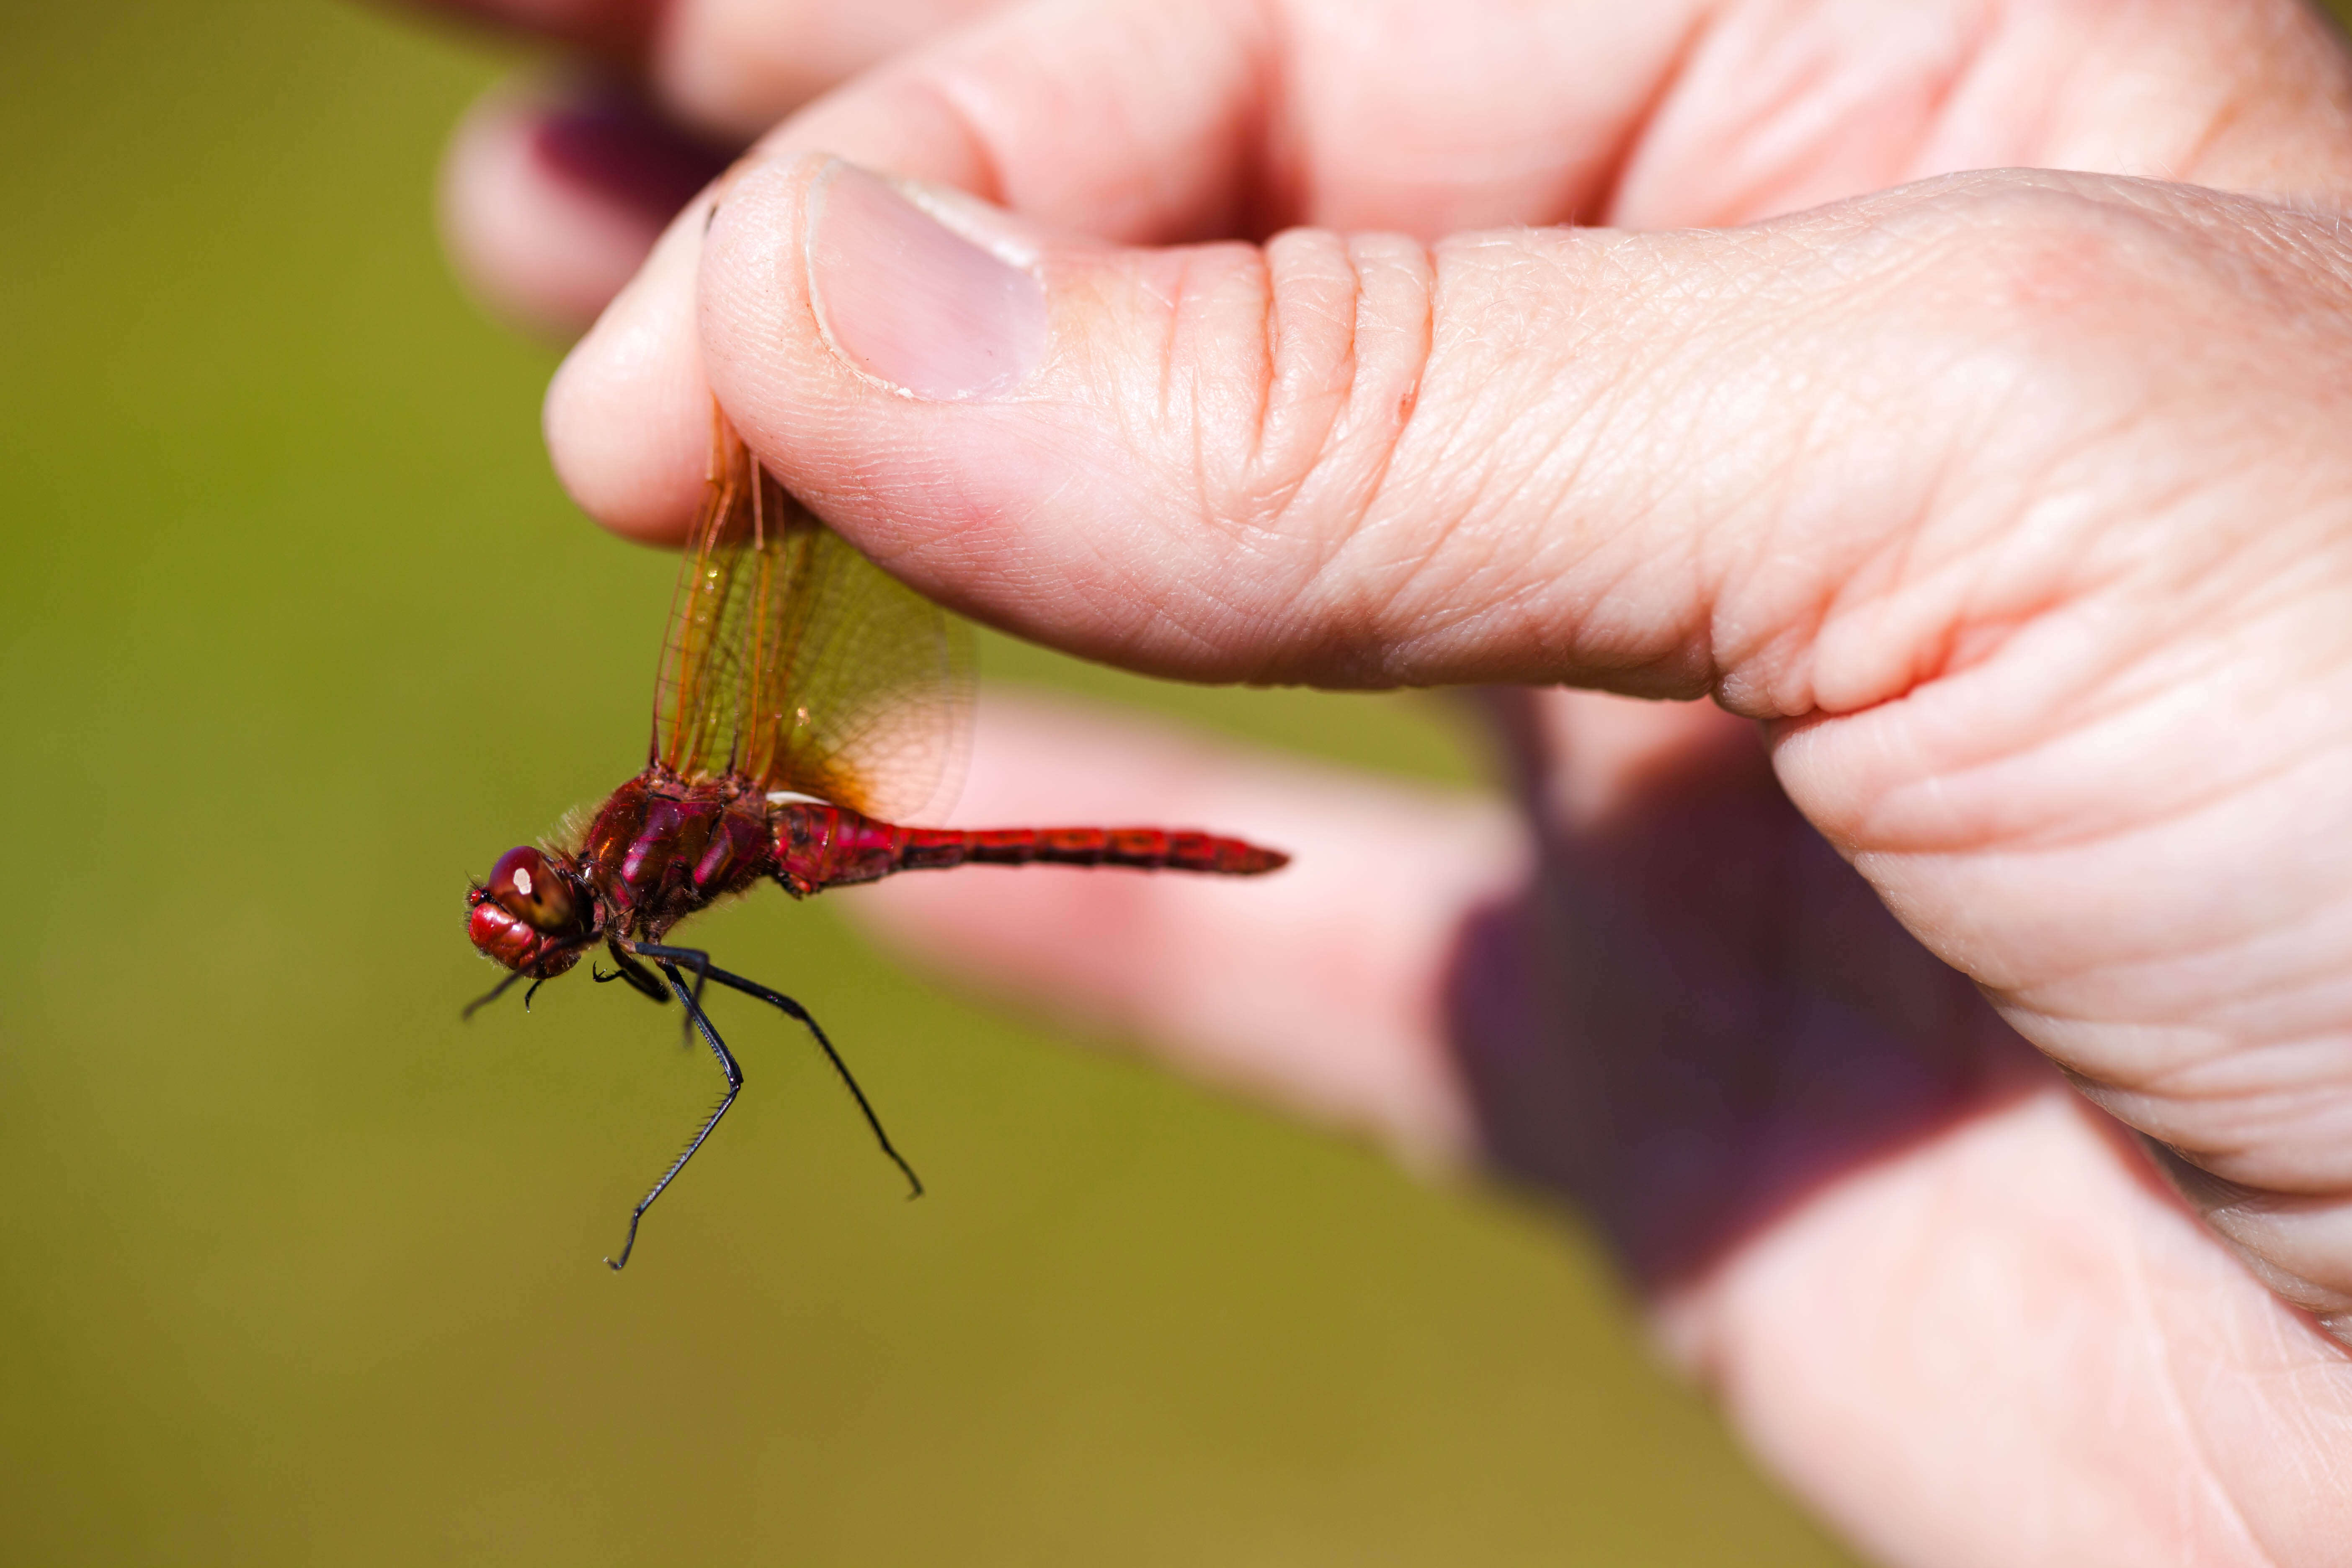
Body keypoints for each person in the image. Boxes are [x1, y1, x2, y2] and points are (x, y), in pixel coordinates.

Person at [420, 0, 2352, 1560]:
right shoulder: (656, 855)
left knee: (755, 1048)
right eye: (550, 913)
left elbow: (737, 1034)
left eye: (554, 908)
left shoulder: (680, 836)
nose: (554, 916)